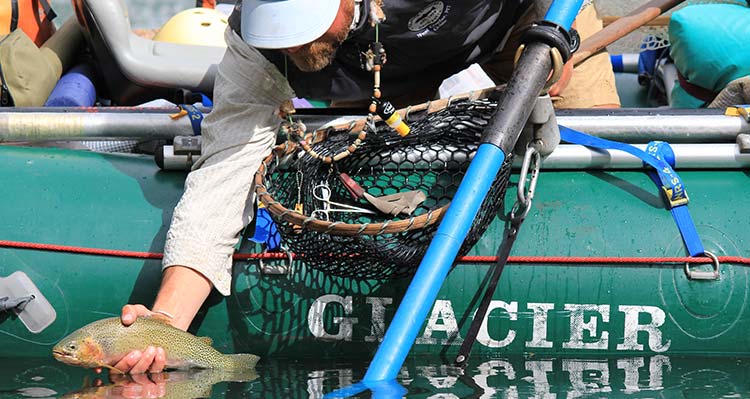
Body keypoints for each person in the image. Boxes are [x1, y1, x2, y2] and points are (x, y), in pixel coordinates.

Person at [110, 0, 620, 374]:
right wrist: (166, 320)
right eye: (279, 31)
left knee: (588, 149)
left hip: (517, 27)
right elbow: (227, 166)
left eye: (304, 24)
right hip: (386, 72)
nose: (292, 44)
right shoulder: (259, 42)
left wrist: (552, 33)